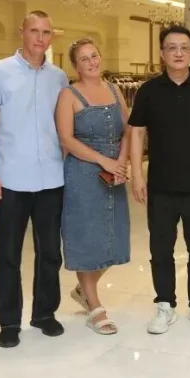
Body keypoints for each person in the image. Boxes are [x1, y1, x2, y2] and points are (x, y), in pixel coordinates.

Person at [0, 10, 69, 349]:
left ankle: (44, 313)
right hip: (10, 178)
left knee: (50, 253)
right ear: (22, 32)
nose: (40, 38)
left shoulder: (59, 77)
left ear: (51, 37)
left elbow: (63, 126)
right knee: (8, 254)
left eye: (46, 32)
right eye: (34, 31)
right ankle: (9, 321)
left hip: (51, 179)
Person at [128, 25, 190, 334]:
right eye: (171, 47)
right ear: (162, 53)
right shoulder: (148, 91)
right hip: (160, 186)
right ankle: (164, 305)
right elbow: (137, 133)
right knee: (161, 250)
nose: (178, 53)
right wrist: (136, 174)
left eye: (184, 47)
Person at [56, 38, 131, 335]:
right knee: (87, 237)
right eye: (84, 59)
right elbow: (66, 139)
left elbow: (128, 129)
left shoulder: (114, 90)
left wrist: (121, 161)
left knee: (114, 236)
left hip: (114, 173)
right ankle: (95, 306)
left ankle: (83, 290)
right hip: (82, 173)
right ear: (76, 65)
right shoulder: (68, 95)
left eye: (94, 56)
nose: (91, 62)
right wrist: (103, 161)